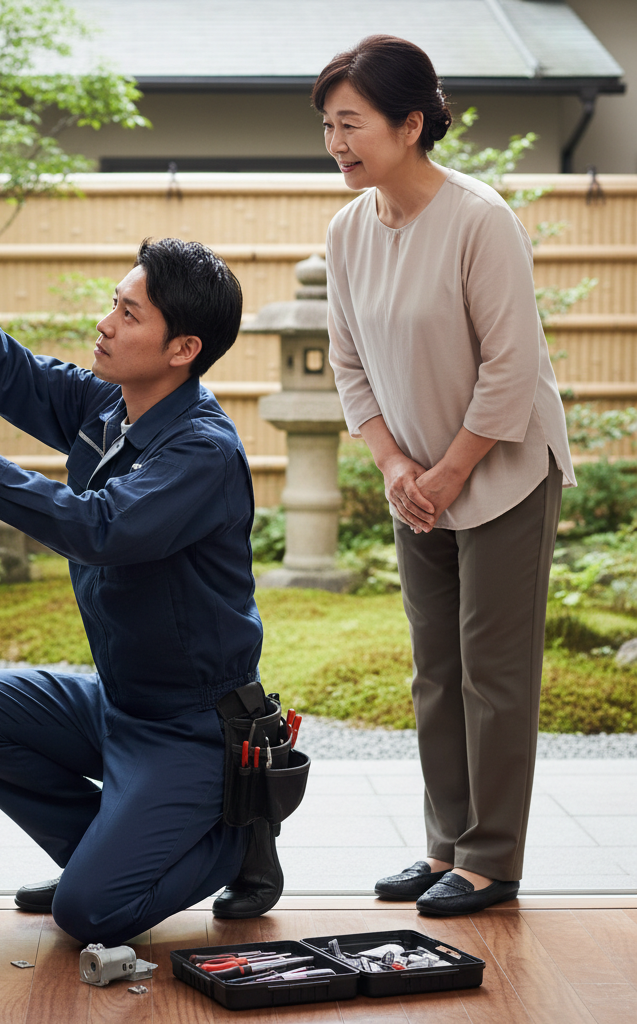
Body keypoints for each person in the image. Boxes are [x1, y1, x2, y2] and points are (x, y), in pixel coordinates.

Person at [0, 227, 282, 945]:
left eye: (130, 315)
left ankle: (236, 836)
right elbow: (10, 374)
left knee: (89, 915)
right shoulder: (110, 406)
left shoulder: (201, 451)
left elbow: (99, 528)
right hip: (120, 705)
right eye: (114, 304)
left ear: (182, 349)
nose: (105, 323)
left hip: (191, 729)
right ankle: (109, 849)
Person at [313, 35, 575, 916]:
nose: (337, 142)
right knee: (434, 669)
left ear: (410, 123)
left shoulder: (477, 217)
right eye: (328, 126)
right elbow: (350, 362)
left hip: (500, 471)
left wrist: (450, 471)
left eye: (352, 124)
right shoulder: (349, 230)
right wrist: (395, 464)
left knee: (492, 672)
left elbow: (511, 366)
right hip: (416, 478)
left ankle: (492, 860)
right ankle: (445, 847)